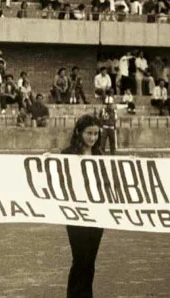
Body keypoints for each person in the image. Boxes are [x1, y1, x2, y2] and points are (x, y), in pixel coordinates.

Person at [63, 114, 104, 298]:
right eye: (89, 133)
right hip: (75, 213)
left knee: (90, 260)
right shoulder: (67, 154)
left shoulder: (100, 155)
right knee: (80, 258)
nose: (93, 138)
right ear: (79, 132)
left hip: (97, 213)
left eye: (96, 134)